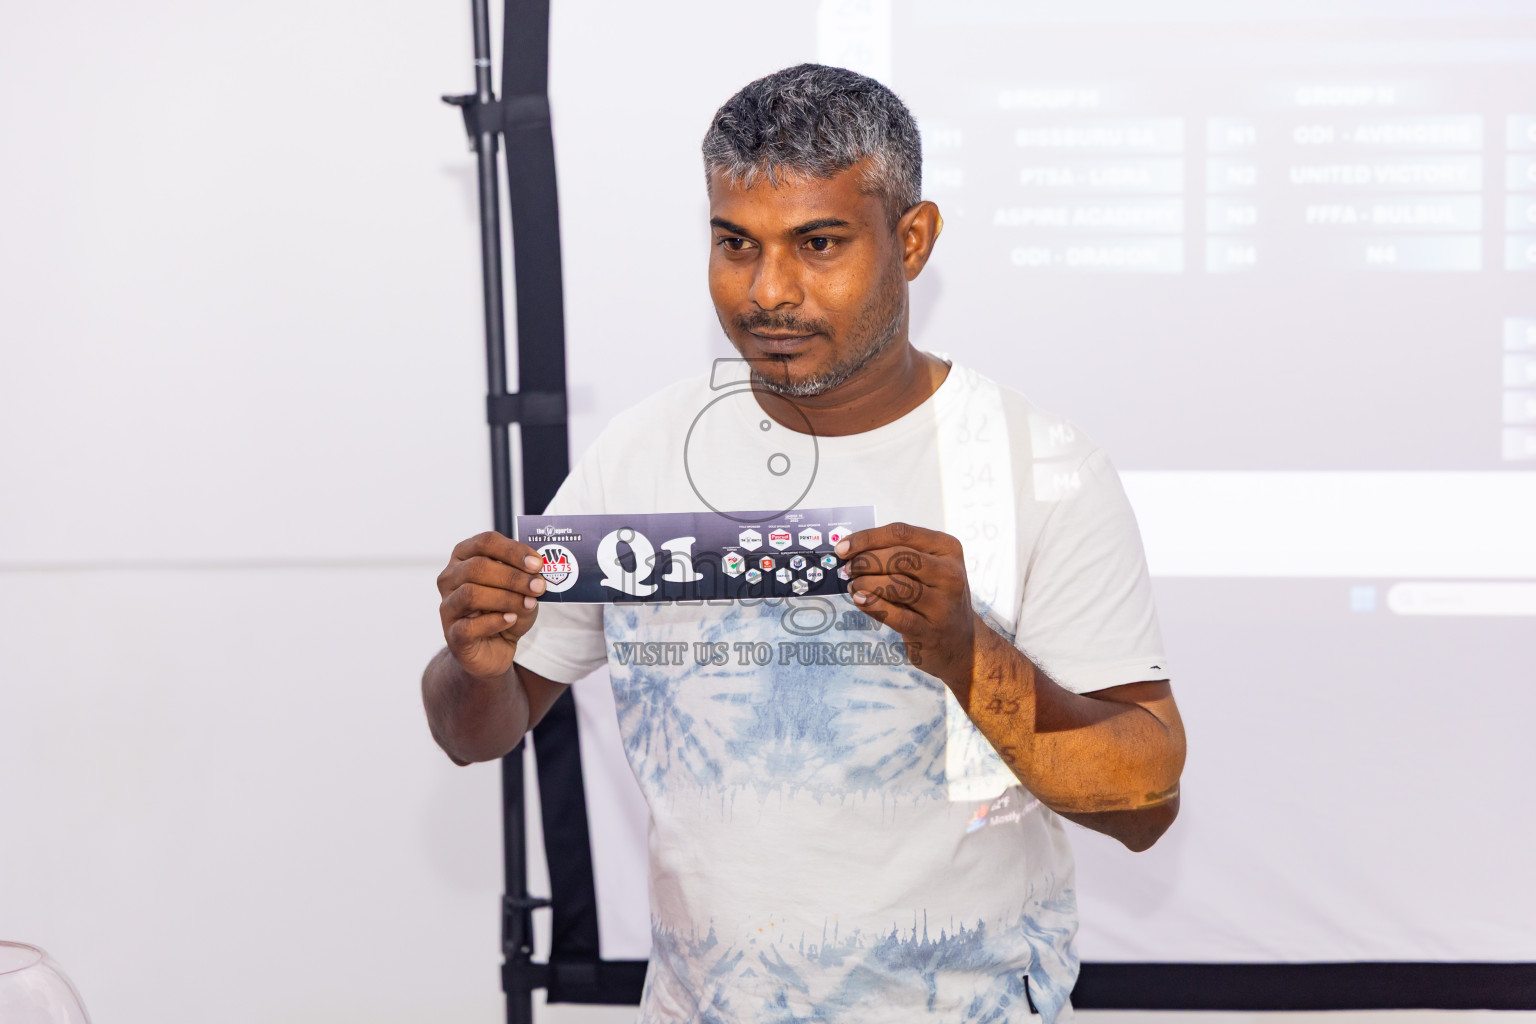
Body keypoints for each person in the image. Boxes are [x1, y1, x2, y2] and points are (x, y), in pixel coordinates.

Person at [423, 64, 1185, 1024]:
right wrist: (476, 663)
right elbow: (475, 732)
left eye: (818, 244)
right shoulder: (642, 453)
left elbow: (1145, 804)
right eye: (734, 243)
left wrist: (968, 654)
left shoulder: (1040, 466)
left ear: (913, 240)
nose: (768, 291)